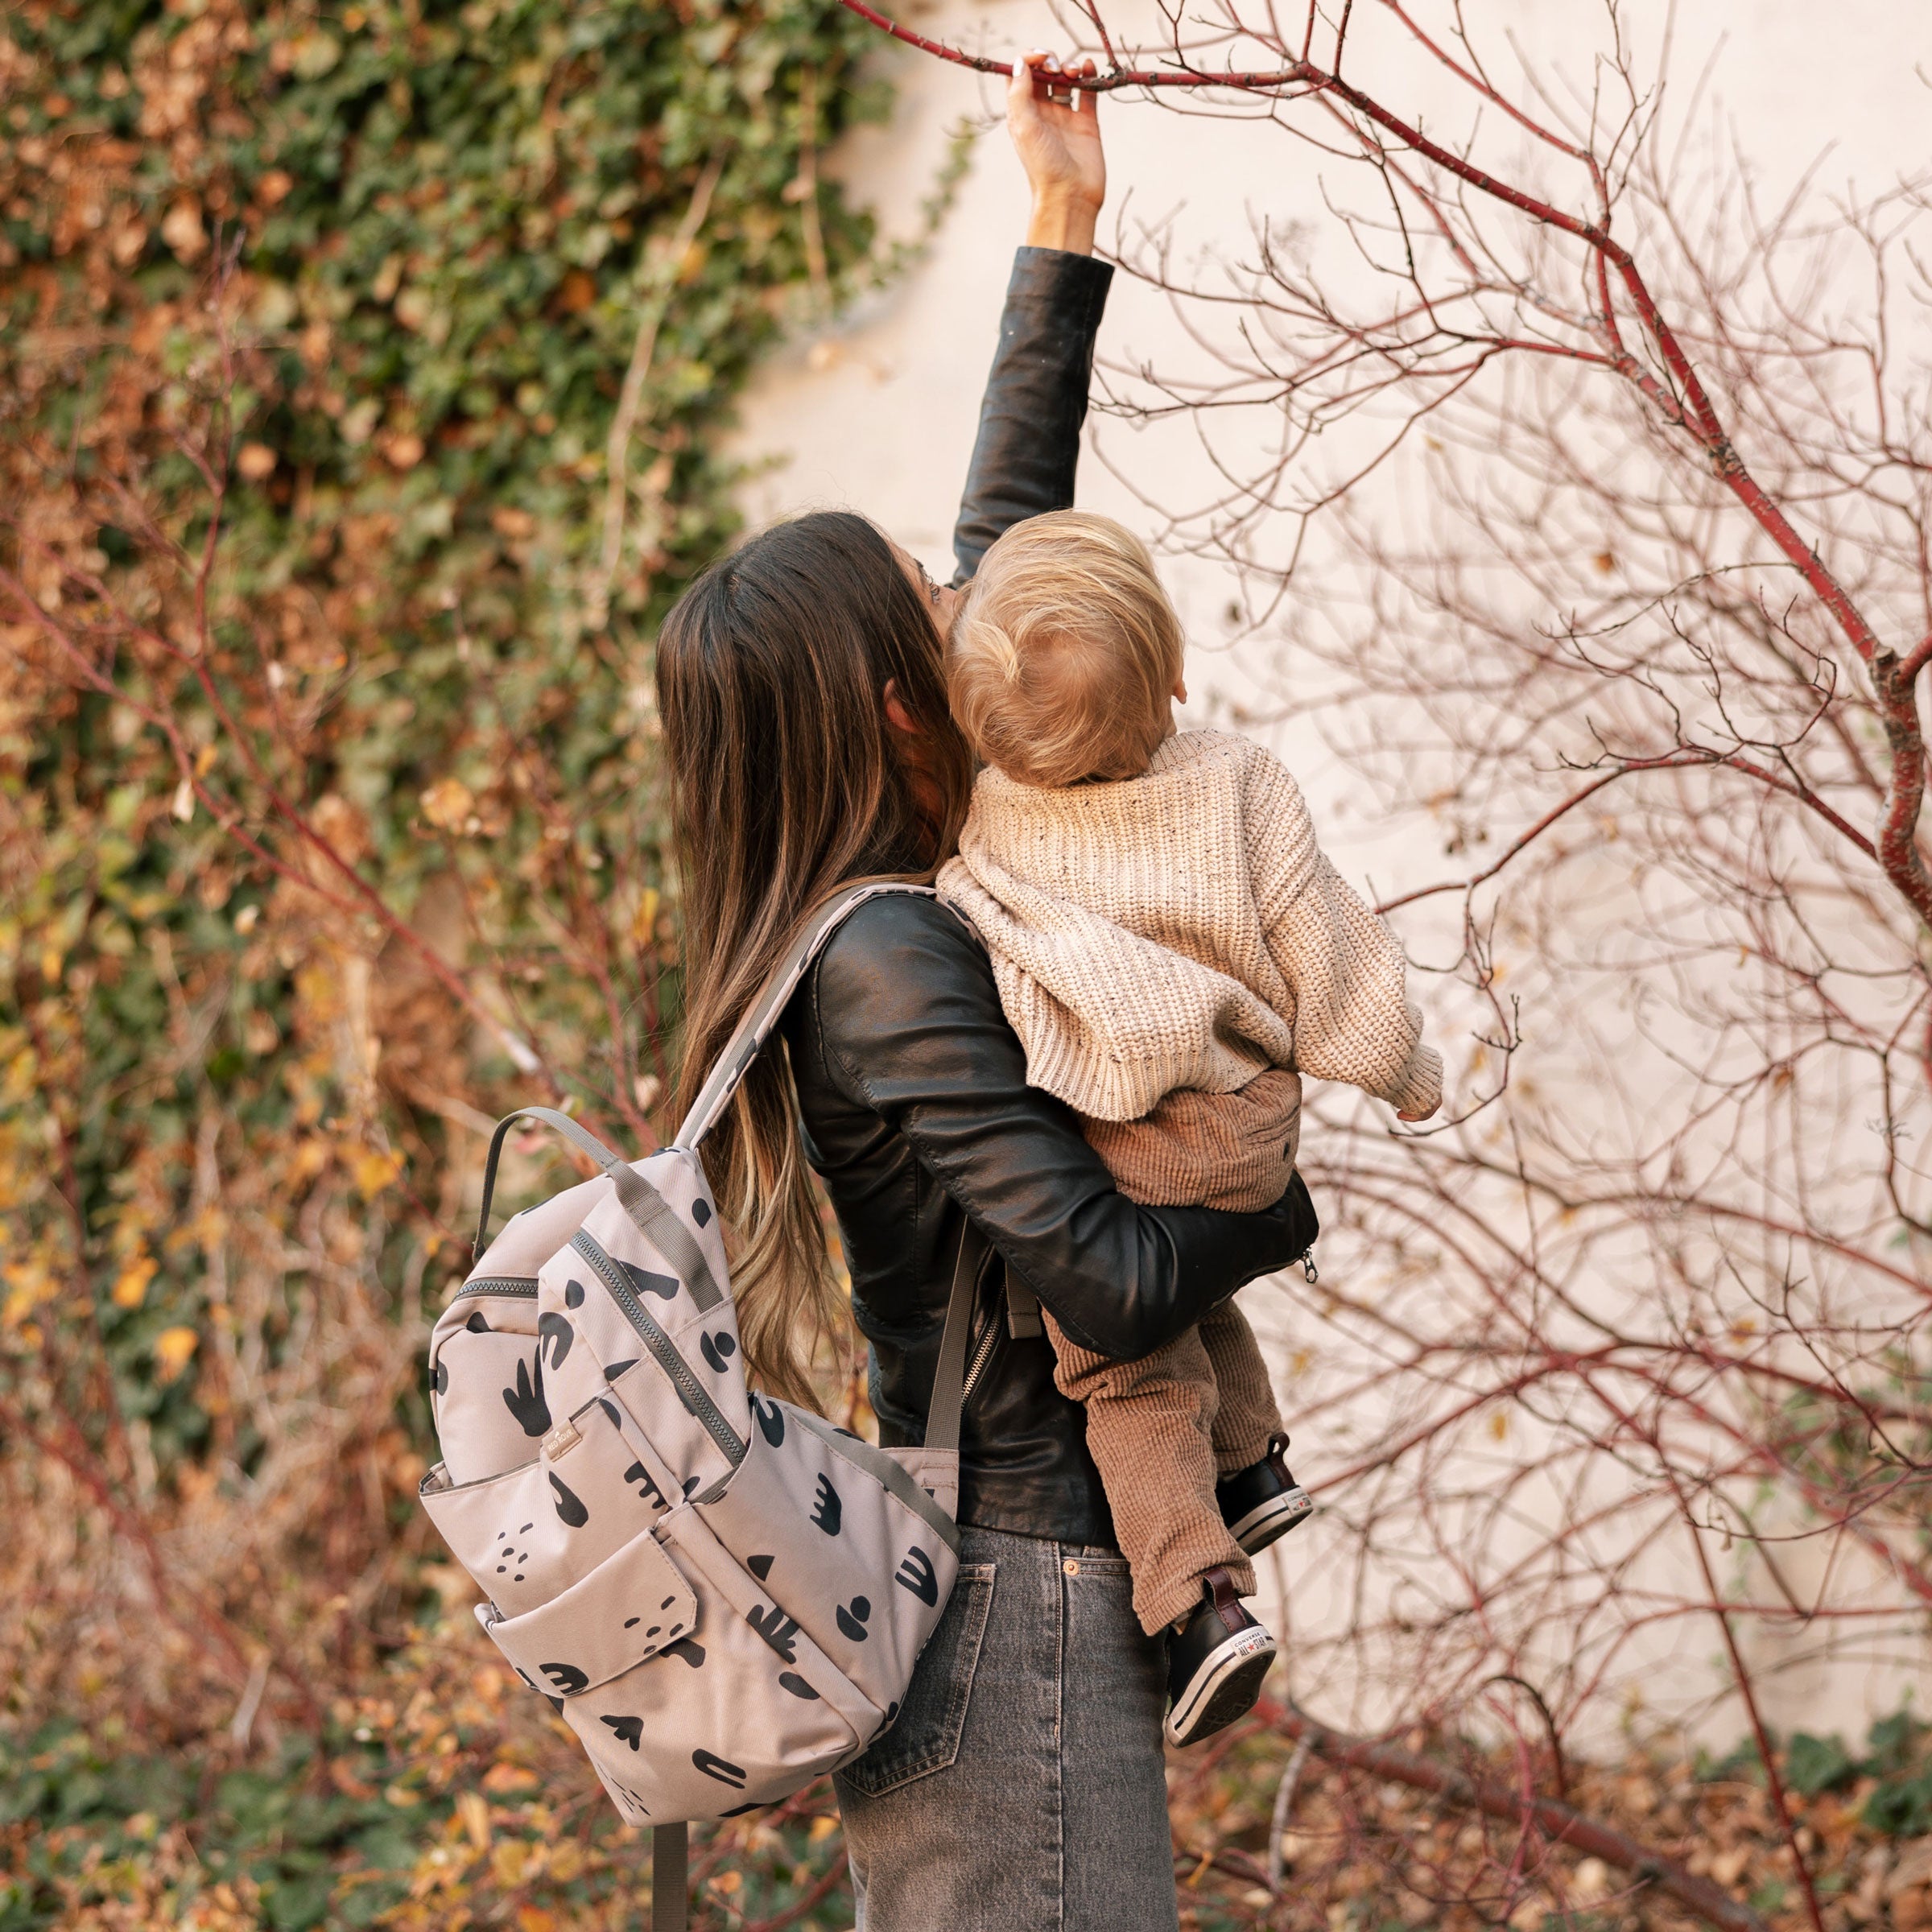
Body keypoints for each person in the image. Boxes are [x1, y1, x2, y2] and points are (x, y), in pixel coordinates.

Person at [654, 51, 1319, 1932]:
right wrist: (1276, 1193)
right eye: (934, 624)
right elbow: (1104, 1274)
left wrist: (1061, 216)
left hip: (1008, 1581)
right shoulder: (891, 955)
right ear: (895, 708)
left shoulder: (906, 891)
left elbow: (1008, 526)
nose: (977, 625)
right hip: (1011, 1595)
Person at [936, 507, 1444, 1744]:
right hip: (1248, 1119)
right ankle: (1256, 1464)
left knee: (1126, 1360)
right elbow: (1325, 953)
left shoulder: (992, 819)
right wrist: (1404, 1068)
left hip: (1124, 1128)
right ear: (1170, 670)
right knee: (1196, 1275)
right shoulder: (1237, 777)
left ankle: (1199, 1599)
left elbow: (991, 941)